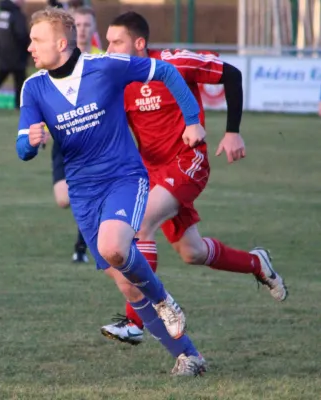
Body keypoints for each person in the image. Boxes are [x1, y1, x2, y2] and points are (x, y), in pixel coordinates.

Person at [16, 7, 207, 376]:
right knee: (129, 288)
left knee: (114, 247)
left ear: (60, 43)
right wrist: (31, 141)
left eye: (36, 40)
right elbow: (23, 147)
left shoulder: (106, 66)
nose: (29, 47)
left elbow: (165, 70)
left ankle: (164, 299)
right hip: (83, 193)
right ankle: (189, 357)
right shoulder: (33, 87)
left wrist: (193, 120)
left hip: (123, 177)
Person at [99, 12, 287, 345]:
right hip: (153, 174)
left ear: (139, 43)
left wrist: (232, 132)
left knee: (139, 225)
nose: (109, 48)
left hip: (189, 161)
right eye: (108, 42)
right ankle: (257, 263)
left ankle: (135, 322)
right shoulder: (117, 81)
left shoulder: (174, 62)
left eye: (116, 42)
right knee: (193, 252)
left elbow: (231, 74)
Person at [50, 6, 102, 263]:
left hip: (94, 142)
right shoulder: (58, 59)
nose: (81, 29)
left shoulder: (102, 61)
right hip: (65, 139)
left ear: (93, 28)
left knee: (88, 190)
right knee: (63, 199)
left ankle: (81, 248)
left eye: (86, 25)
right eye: (77, 25)